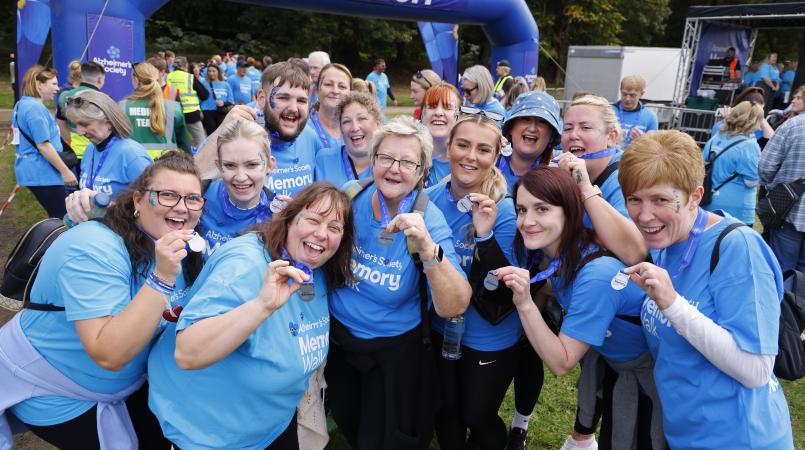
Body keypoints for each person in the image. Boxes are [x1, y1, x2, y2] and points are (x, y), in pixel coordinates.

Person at [0, 151, 204, 450]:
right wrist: (162, 278)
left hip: (126, 382)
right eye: (167, 195)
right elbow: (110, 354)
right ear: (137, 200)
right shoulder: (93, 248)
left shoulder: (182, 244)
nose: (181, 207)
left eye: (192, 199)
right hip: (54, 388)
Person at [618, 130, 794, 449]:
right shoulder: (666, 241)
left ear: (695, 196)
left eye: (660, 200)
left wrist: (673, 304)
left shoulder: (738, 249)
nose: (644, 216)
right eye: (634, 199)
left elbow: (756, 369)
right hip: (685, 434)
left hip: (740, 439)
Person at [148, 182, 354, 450]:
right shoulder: (246, 264)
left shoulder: (315, 269)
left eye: (334, 228)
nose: (322, 234)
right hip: (207, 436)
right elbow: (188, 353)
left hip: (272, 428)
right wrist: (261, 307)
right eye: (313, 220)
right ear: (289, 220)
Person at [326, 116, 471, 449]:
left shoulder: (428, 219)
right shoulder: (351, 197)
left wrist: (426, 247)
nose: (394, 168)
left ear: (422, 172)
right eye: (386, 158)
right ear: (373, 160)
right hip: (340, 340)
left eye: (407, 162)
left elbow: (455, 305)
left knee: (384, 437)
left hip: (393, 349)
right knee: (349, 416)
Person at [494, 167, 664, 450]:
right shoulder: (564, 255)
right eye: (522, 210)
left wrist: (524, 303)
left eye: (542, 209)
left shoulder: (596, 274)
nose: (528, 221)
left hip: (656, 384)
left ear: (569, 212)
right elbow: (554, 287)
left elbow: (561, 362)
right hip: (620, 371)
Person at [426, 113, 522, 450]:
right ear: (448, 147)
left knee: (476, 415)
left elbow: (507, 288)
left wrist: (485, 235)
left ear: (496, 157)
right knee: (446, 411)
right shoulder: (430, 198)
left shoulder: (505, 208)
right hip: (441, 329)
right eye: (463, 145)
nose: (470, 156)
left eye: (483, 149)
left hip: (487, 335)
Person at [197, 61, 321, 197]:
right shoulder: (234, 135)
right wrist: (222, 132)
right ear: (262, 99)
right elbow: (192, 179)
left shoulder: (310, 136)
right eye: (283, 98)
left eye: (302, 101)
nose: (293, 108)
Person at [199, 120, 276, 258]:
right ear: (219, 166)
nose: (240, 177)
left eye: (252, 165)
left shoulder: (279, 218)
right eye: (230, 165)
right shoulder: (197, 199)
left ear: (270, 165)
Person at [12, 65, 76, 217]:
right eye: (53, 84)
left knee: (61, 216)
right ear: (38, 84)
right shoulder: (35, 108)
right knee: (66, 218)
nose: (57, 88)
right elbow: (43, 145)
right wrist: (65, 172)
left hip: (34, 171)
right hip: (43, 173)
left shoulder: (22, 104)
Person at [65, 90, 152, 199]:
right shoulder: (90, 149)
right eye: (76, 124)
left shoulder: (132, 155)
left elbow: (150, 202)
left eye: (84, 124)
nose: (79, 132)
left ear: (109, 122)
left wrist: (109, 206)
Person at [701, 101, 763, 225]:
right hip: (736, 209)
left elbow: (703, 165)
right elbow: (751, 182)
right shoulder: (750, 146)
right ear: (754, 121)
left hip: (709, 202)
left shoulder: (715, 138)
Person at [760, 112, 805, 273]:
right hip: (789, 210)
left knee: (781, 269)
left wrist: (771, 186)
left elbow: (765, 167)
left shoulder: (793, 126)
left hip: (788, 209)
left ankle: (782, 298)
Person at [120, 62, 191, 160]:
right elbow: (185, 145)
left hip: (130, 164)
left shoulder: (121, 106)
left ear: (136, 80)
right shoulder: (173, 108)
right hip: (166, 166)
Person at [498, 91, 562, 193]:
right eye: (525, 119)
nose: (532, 128)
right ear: (510, 128)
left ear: (551, 136)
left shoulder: (560, 172)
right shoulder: (488, 162)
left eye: (542, 121)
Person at [315, 92, 380, 187]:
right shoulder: (323, 160)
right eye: (347, 121)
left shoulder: (389, 165)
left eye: (362, 118)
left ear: (377, 124)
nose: (355, 128)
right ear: (340, 128)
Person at [56, 61, 105, 171]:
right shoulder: (105, 99)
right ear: (100, 79)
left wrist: (69, 142)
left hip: (73, 153)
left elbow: (60, 124)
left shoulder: (64, 96)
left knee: (75, 186)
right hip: (96, 152)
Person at [422, 83, 462, 187]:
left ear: (459, 116)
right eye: (432, 106)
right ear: (422, 114)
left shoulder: (472, 161)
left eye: (447, 107)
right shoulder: (406, 156)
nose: (439, 113)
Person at [307, 63, 351, 150]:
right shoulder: (303, 130)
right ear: (317, 91)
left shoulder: (355, 131)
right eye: (328, 84)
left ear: (350, 93)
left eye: (342, 86)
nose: (335, 91)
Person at [612, 74, 658, 147]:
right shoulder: (610, 111)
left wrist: (643, 140)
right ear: (620, 91)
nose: (627, 99)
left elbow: (654, 147)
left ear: (641, 94)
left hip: (635, 157)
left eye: (632, 95)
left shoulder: (650, 116)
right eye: (624, 94)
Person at [200, 63, 234, 135]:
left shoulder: (225, 84)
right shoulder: (203, 83)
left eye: (213, 71)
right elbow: (198, 99)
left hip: (221, 112)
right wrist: (199, 111)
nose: (211, 73)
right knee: (211, 134)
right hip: (207, 112)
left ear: (218, 72)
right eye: (209, 71)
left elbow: (231, 100)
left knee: (222, 134)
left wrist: (223, 103)